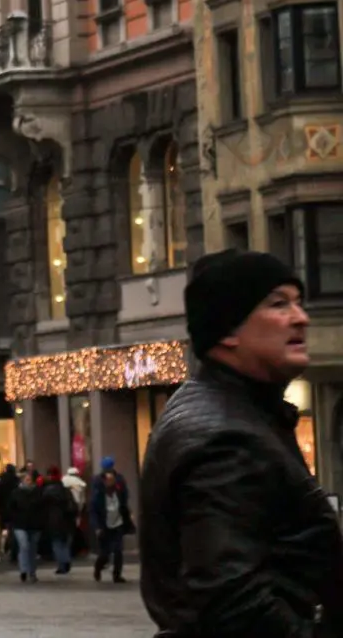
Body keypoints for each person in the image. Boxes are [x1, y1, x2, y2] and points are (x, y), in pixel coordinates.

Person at [141, 250, 343, 634]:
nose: (301, 317)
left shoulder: (235, 412)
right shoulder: (227, 439)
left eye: (298, 302)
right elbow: (232, 602)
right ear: (228, 331)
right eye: (278, 304)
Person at [88, 459, 132, 583]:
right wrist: (97, 527)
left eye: (112, 480)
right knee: (105, 553)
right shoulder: (98, 495)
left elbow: (124, 502)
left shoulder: (119, 489)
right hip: (104, 525)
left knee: (118, 550)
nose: (111, 482)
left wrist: (128, 515)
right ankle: (98, 567)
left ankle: (117, 575)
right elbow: (93, 511)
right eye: (108, 480)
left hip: (117, 523)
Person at [36, 466, 75, 574]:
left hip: (52, 519)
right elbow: (72, 506)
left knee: (56, 543)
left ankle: (62, 564)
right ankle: (66, 559)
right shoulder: (64, 489)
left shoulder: (45, 490)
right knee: (64, 542)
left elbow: (41, 506)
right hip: (66, 520)